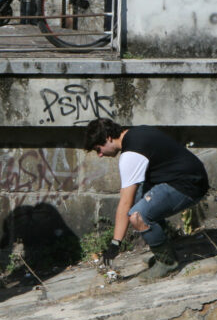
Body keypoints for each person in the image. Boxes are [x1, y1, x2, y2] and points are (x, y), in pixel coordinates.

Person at [84, 117, 209, 280]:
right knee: (137, 196)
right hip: (190, 178)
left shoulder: (131, 155)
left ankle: (167, 262)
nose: (100, 155)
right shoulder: (137, 132)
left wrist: (115, 243)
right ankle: (165, 250)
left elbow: (125, 203)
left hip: (189, 187)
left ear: (108, 138)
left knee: (137, 215)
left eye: (98, 149)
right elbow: (128, 194)